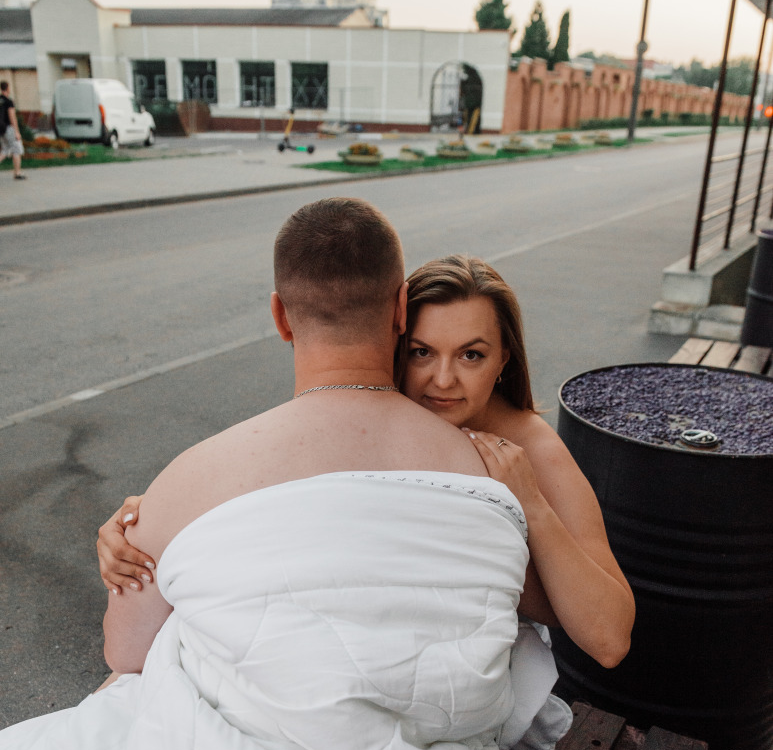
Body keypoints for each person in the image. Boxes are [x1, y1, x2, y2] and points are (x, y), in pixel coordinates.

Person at [0, 197, 573, 750]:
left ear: (278, 316)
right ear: (394, 312)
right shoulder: (486, 475)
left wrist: (151, 543)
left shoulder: (196, 476)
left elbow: (126, 654)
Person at [101, 255, 634, 670]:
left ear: (503, 361)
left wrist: (531, 506)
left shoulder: (530, 449)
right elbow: (263, 477)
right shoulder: (375, 410)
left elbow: (609, 640)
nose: (443, 380)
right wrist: (146, 525)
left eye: (471, 355)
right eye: (422, 352)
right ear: (395, 340)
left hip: (472, 663)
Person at [0, 80, 26, 180]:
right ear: (7, 88)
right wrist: (17, 132)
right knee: (17, 148)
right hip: (8, 128)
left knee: (5, 150)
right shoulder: (8, 101)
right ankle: (17, 173)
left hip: (1, 129)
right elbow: (12, 117)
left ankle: (17, 173)